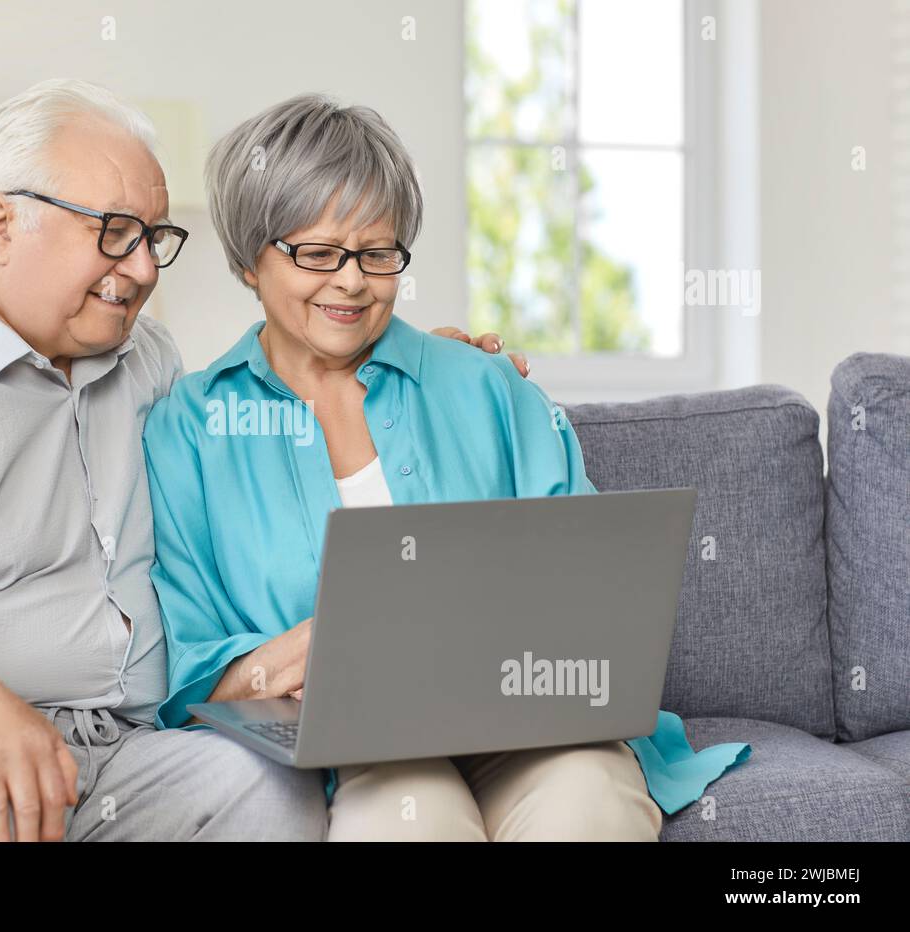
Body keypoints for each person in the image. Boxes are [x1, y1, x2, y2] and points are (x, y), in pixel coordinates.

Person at [0, 79, 512, 842]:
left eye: (155, 238)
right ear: (0, 224)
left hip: (119, 747)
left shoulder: (145, 361)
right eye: (115, 231)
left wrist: (402, 370)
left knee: (272, 794)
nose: (145, 268)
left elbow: (255, 422)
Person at [143, 93, 751, 841]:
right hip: (357, 750)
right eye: (318, 254)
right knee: (410, 818)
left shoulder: (484, 384)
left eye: (378, 253)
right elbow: (185, 666)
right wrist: (296, 658)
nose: (353, 282)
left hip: (534, 727)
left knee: (588, 799)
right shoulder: (190, 429)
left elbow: (595, 584)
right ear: (247, 260)